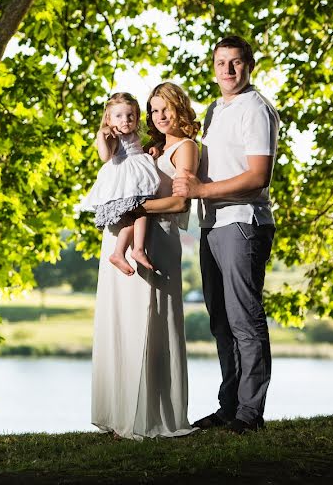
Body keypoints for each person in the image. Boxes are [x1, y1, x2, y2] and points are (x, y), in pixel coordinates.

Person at [172, 35, 280, 435]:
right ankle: (229, 406)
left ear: (249, 65)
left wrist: (200, 191)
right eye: (221, 63)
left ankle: (251, 414)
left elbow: (257, 177)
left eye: (236, 62)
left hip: (242, 223)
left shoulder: (256, 109)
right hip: (212, 225)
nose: (228, 70)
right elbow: (202, 163)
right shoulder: (215, 109)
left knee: (245, 320)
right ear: (213, 67)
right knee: (221, 321)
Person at [91, 82, 200, 440]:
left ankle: (152, 415)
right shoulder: (150, 150)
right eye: (154, 110)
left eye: (165, 108)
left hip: (157, 239)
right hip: (124, 232)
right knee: (121, 323)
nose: (159, 116)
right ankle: (118, 414)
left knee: (153, 325)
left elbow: (180, 203)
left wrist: (131, 208)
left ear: (180, 108)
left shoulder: (185, 149)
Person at [81, 92, 161, 276]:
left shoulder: (134, 135)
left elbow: (137, 152)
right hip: (125, 183)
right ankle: (135, 250)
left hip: (136, 179)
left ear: (137, 117)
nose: (125, 120)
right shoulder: (114, 137)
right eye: (119, 116)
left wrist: (150, 152)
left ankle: (122, 252)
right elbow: (105, 157)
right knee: (139, 212)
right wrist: (101, 135)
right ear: (108, 119)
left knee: (137, 215)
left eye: (130, 115)